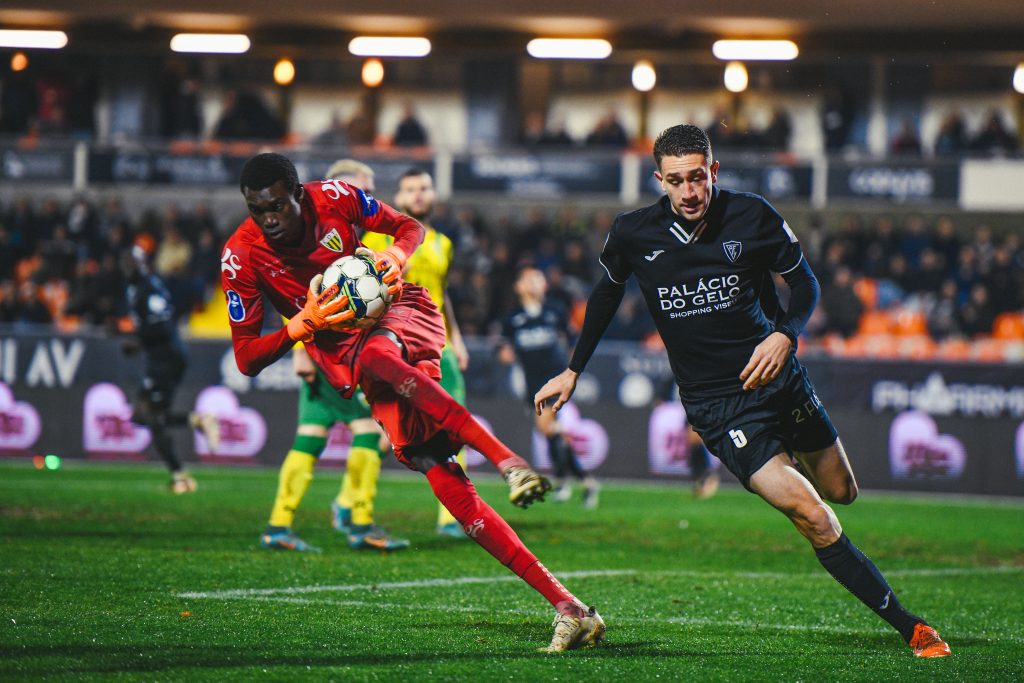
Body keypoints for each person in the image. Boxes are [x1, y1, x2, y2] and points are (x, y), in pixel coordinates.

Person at [534, 124, 950, 658]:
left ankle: (785, 462)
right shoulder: (634, 233)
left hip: (779, 380)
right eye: (677, 180)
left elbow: (806, 285)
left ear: (714, 172)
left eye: (699, 177)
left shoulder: (752, 215)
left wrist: (784, 334)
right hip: (717, 404)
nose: (690, 191)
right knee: (815, 514)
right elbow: (606, 295)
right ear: (659, 180)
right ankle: (910, 626)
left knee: (843, 491)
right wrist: (574, 369)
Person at [222, 152, 604, 652]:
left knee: (380, 358)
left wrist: (394, 258)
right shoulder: (242, 256)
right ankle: (569, 607)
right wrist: (299, 326)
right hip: (347, 353)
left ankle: (509, 461)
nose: (268, 219)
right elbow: (247, 358)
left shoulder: (334, 198)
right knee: (437, 471)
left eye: (277, 206)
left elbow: (407, 228)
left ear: (298, 193)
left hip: (400, 311)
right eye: (257, 209)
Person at [259, 159, 409, 553]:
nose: (369, 197)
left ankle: (279, 524)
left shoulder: (354, 239)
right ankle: (359, 521)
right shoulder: (315, 237)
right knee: (369, 432)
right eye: (363, 188)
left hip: (336, 354)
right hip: (331, 356)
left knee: (311, 435)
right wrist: (301, 353)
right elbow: (288, 295)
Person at [362, 168, 473, 538]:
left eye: (424, 188)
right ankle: (353, 506)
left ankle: (455, 517)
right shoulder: (378, 238)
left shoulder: (442, 242)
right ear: (400, 196)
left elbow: (444, 295)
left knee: (456, 426)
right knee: (386, 433)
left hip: (438, 346)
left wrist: (457, 340)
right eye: (411, 190)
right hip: (396, 347)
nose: (419, 195)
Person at [122, 243, 219, 493]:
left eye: (134, 263)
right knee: (142, 416)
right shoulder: (137, 288)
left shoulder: (148, 287)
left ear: (144, 264)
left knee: (151, 415)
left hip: (167, 359)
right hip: (160, 358)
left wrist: (137, 340)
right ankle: (196, 421)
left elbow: (162, 325)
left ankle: (180, 477)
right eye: (127, 263)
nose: (129, 268)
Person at [498, 266, 599, 507]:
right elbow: (503, 349)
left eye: (537, 279)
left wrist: (572, 372)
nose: (533, 283)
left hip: (555, 380)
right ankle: (583, 481)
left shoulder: (555, 311)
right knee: (552, 433)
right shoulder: (512, 319)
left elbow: (573, 341)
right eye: (528, 279)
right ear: (518, 287)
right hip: (531, 384)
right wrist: (504, 353)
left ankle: (566, 481)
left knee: (547, 426)